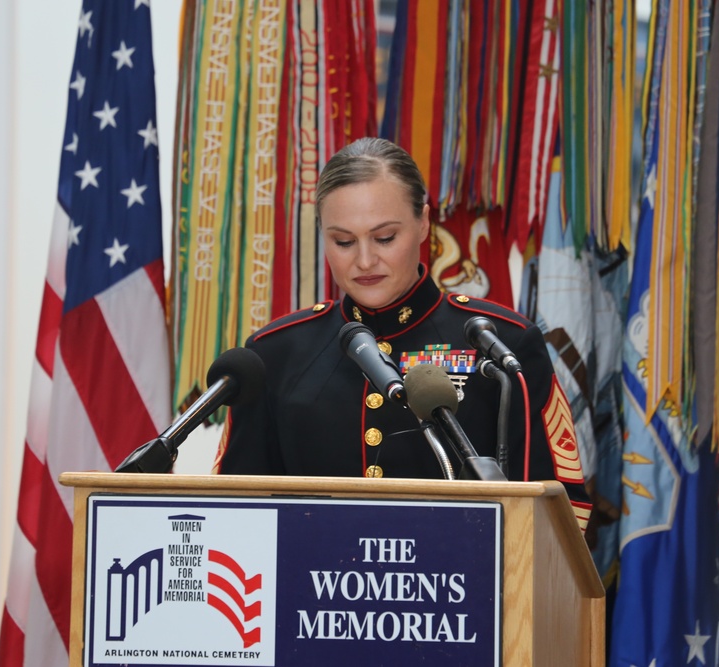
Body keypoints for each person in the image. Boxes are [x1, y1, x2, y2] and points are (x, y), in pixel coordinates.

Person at [214, 137, 591, 524]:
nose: (364, 260)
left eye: (385, 238)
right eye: (343, 241)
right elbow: (232, 507)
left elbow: (560, 512)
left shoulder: (500, 343)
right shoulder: (275, 353)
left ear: (424, 222)